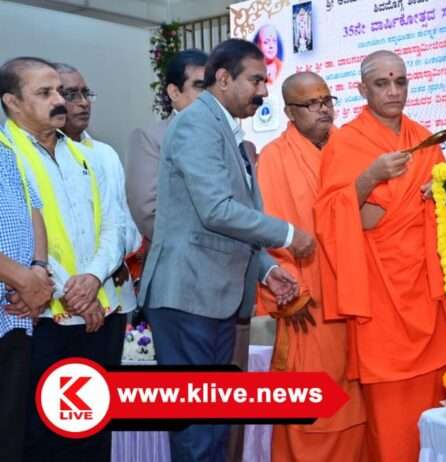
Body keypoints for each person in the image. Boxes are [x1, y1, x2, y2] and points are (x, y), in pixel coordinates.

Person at [137, 38, 315, 462]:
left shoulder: (224, 127)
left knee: (213, 425)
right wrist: (289, 234)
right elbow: (216, 210)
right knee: (198, 432)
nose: (263, 91)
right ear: (223, 78)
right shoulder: (198, 124)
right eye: (255, 80)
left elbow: (226, 222)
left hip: (213, 298)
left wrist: (267, 270)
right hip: (187, 297)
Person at [313, 50, 446, 462]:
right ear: (362, 89)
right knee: (393, 426)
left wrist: (443, 191)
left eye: (401, 82)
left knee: (436, 416)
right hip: (380, 298)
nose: (394, 91)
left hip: (428, 294)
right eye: (382, 83)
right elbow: (330, 216)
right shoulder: (347, 142)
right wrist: (369, 178)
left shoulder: (423, 137)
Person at [0, 56, 124, 461]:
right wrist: (62, 291)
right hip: (36, 319)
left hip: (90, 311)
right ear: (12, 103)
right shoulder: (8, 154)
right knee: (39, 438)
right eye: (46, 93)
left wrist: (91, 282)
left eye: (61, 91)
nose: (61, 101)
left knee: (89, 432)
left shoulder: (84, 155)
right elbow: (31, 240)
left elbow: (112, 227)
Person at [258, 72, 366, 462]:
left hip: (357, 297)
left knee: (359, 404)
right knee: (316, 409)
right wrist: (291, 296)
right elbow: (269, 233)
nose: (324, 110)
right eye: (312, 104)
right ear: (289, 111)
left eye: (327, 100)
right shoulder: (274, 158)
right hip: (309, 304)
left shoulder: (350, 147)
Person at [56, 63, 142, 340]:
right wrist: (83, 291)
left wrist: (104, 270)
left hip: (114, 294)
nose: (83, 103)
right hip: (62, 303)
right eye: (71, 95)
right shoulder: (32, 156)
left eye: (85, 93)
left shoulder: (105, 153)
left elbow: (123, 225)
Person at [0, 136, 53, 462]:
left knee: (9, 438)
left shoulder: (6, 150)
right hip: (19, 296)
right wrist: (25, 281)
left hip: (13, 316)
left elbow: (34, 209)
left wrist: (39, 269)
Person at [126, 49, 207, 242]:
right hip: (182, 261)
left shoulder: (227, 136)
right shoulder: (151, 138)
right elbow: (148, 214)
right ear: (174, 92)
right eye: (199, 86)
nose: (208, 96)